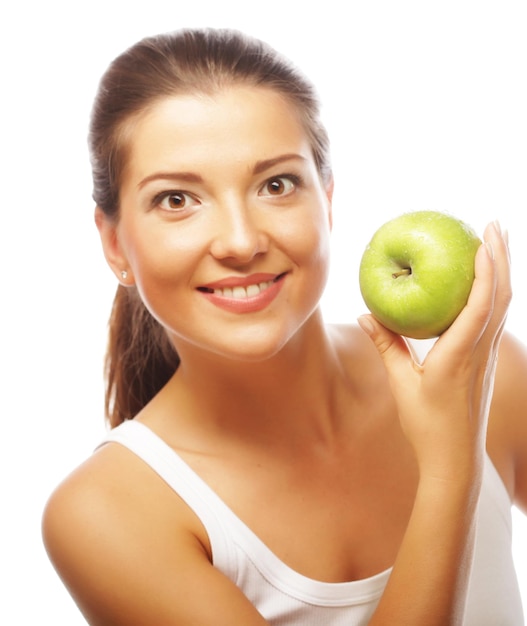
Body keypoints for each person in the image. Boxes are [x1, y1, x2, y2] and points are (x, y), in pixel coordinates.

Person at [42, 28, 526, 625]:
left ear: (326, 200)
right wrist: (452, 467)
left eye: (276, 184)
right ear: (115, 243)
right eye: (176, 200)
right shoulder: (105, 514)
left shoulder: (488, 376)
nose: (242, 242)